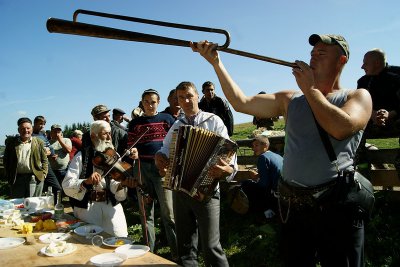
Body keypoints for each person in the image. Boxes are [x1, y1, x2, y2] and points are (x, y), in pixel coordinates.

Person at [191, 34, 372, 267]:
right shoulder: (290, 98)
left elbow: (340, 128)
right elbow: (241, 102)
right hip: (293, 209)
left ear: (342, 60)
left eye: (321, 54)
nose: (313, 58)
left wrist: (311, 90)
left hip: (336, 208)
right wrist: (216, 62)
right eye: (312, 54)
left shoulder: (357, 96)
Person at [155, 81, 237, 267]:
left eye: (189, 96)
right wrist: (159, 157)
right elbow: (164, 150)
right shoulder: (177, 126)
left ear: (197, 96)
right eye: (181, 98)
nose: (185, 100)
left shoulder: (213, 120)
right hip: (180, 190)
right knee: (185, 245)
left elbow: (229, 151)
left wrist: (228, 169)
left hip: (207, 190)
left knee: (211, 245)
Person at [62, 120, 138, 237]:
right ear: (93, 136)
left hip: (111, 206)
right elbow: (67, 185)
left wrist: (122, 184)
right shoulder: (81, 156)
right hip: (88, 209)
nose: (109, 137)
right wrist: (86, 181)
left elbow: (113, 183)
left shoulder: (114, 156)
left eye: (109, 133)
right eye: (104, 134)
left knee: (119, 238)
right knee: (90, 243)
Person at [127, 89, 177, 258]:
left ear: (158, 102)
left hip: (162, 169)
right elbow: (130, 144)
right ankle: (149, 252)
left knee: (168, 212)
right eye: (146, 101)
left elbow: (176, 142)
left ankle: (177, 253)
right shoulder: (135, 123)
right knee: (145, 211)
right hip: (142, 167)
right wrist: (132, 151)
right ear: (142, 103)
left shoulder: (168, 119)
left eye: (153, 101)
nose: (149, 105)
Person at [357, 49, 400, 136]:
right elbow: (359, 104)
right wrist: (374, 115)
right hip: (371, 120)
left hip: (396, 120)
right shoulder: (363, 81)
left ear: (377, 63)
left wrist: (388, 115)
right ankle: (360, 148)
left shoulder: (398, 75)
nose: (362, 67)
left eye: (365, 63)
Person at [4, 117, 48, 198]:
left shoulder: (39, 142)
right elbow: (6, 160)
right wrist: (8, 174)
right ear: (18, 130)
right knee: (18, 205)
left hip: (35, 178)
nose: (26, 130)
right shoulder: (11, 143)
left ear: (32, 128)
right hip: (17, 179)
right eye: (23, 128)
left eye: (28, 128)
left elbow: (44, 160)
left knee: (34, 204)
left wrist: (44, 174)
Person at [241, 134, 282, 216]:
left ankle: (266, 210)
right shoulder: (277, 155)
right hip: (282, 188)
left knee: (246, 184)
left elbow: (264, 184)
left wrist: (255, 178)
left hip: (274, 193)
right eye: (253, 146)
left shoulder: (263, 157)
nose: (253, 149)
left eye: (256, 145)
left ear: (265, 146)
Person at [32, 115, 62, 199]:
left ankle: (56, 207)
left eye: (43, 124)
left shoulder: (42, 134)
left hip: (46, 165)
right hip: (35, 166)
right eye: (40, 124)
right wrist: (43, 152)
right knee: (35, 191)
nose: (42, 126)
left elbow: (49, 146)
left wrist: (52, 155)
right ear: (34, 123)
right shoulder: (30, 134)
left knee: (57, 188)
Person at [49, 124, 72, 192]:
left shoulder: (66, 140)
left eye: (58, 132)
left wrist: (60, 140)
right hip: (53, 170)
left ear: (61, 132)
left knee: (67, 189)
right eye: (55, 132)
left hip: (65, 169)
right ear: (51, 133)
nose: (57, 133)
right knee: (56, 190)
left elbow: (68, 150)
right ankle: (56, 201)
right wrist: (50, 156)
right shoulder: (48, 142)